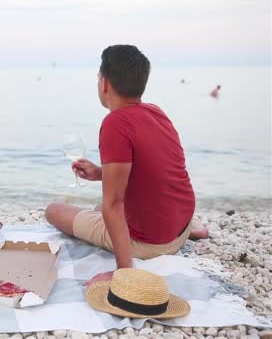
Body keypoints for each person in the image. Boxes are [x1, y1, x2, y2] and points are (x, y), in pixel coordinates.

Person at [44, 45, 209, 285]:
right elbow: (151, 170)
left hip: (151, 244)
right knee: (100, 207)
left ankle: (134, 259)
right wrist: (100, 173)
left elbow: (114, 204)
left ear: (105, 84)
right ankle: (191, 230)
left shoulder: (115, 123)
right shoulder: (156, 112)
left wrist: (122, 271)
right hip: (181, 226)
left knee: (56, 210)